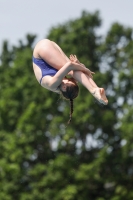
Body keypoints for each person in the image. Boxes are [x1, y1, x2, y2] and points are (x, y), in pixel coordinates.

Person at [32, 39, 108, 123]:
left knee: (72, 71)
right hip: (49, 47)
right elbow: (80, 74)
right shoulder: (63, 86)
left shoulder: (52, 84)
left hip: (41, 49)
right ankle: (96, 89)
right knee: (75, 71)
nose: (69, 79)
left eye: (70, 81)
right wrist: (80, 65)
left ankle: (94, 91)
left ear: (64, 87)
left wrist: (85, 69)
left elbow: (70, 65)